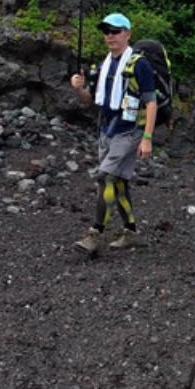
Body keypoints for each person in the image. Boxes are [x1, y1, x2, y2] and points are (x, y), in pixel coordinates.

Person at [70, 13, 157, 253]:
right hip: (106, 131)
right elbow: (90, 101)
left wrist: (147, 138)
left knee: (105, 178)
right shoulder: (103, 66)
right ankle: (131, 232)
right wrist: (79, 89)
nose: (110, 35)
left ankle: (94, 235)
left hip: (129, 131)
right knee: (118, 181)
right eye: (106, 31)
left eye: (116, 31)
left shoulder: (140, 64)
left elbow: (151, 102)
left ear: (128, 34)